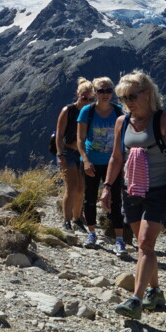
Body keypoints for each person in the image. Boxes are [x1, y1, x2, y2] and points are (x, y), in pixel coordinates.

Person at [100, 71, 166, 320]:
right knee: (142, 246)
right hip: (132, 189)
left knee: (146, 243)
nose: (128, 102)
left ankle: (136, 299)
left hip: (160, 190)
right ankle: (156, 291)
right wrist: (107, 186)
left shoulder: (164, 120)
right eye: (123, 98)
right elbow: (116, 157)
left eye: (132, 96)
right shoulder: (122, 122)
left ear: (147, 93)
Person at [77, 76, 127, 256]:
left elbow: (124, 140)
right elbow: (80, 139)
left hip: (113, 163)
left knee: (116, 200)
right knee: (89, 198)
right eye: (101, 91)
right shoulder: (87, 112)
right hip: (92, 162)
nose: (105, 94)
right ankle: (91, 233)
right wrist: (86, 160)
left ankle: (119, 240)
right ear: (94, 92)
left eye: (108, 90)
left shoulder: (119, 112)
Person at [55, 77, 94, 232]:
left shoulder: (91, 112)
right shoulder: (68, 111)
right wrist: (60, 155)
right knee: (72, 187)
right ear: (78, 95)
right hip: (67, 152)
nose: (87, 101)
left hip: (83, 154)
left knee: (81, 188)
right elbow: (59, 135)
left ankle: (77, 219)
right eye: (84, 98)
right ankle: (67, 221)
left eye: (91, 99)